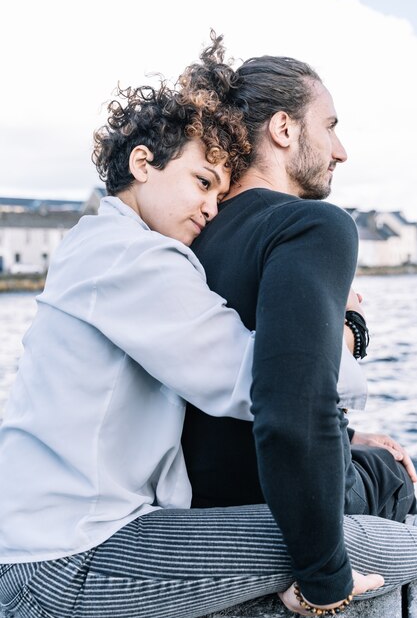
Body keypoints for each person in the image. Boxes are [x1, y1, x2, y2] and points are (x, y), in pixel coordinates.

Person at [0, 51, 416, 618]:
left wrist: (345, 426)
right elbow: (265, 384)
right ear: (143, 163)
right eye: (201, 182)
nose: (209, 206)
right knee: (365, 543)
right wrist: (344, 328)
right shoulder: (126, 257)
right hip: (67, 559)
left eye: (218, 190)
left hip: (75, 534)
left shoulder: (118, 249)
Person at [180, 35, 417, 616]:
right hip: (287, 505)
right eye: (330, 125)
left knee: (376, 457)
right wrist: (324, 576)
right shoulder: (312, 225)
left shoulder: (191, 233)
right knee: (397, 476)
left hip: (204, 498)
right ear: (284, 130)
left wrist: (350, 435)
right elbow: (292, 412)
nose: (340, 149)